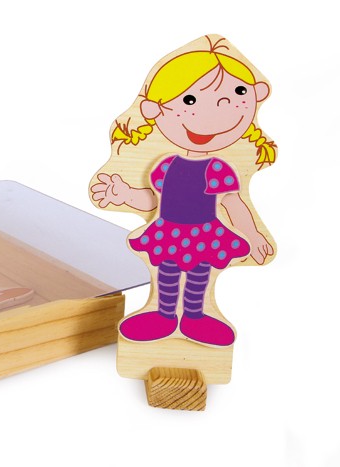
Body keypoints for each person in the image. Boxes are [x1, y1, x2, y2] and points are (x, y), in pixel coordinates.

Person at [90, 36, 276, 347]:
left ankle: (195, 317)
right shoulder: (165, 166)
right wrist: (125, 194)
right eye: (189, 101)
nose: (214, 113)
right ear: (154, 110)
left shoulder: (217, 169)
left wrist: (253, 234)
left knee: (199, 277)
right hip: (168, 231)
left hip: (204, 233)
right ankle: (163, 316)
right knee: (166, 274)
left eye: (235, 96)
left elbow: (233, 204)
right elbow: (153, 201)